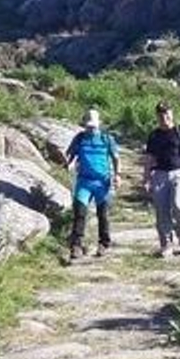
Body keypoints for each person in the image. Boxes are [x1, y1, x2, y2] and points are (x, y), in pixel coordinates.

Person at [144, 102, 180, 256]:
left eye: (166, 113)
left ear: (172, 113)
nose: (164, 117)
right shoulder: (154, 135)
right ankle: (166, 243)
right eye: (161, 114)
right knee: (162, 210)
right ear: (157, 116)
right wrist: (146, 178)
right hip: (159, 175)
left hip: (179, 174)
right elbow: (149, 158)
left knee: (178, 204)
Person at [64, 108, 120, 262]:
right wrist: (68, 163)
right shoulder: (80, 138)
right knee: (80, 213)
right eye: (88, 126)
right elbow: (70, 155)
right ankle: (76, 246)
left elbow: (115, 158)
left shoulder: (106, 139)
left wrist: (117, 175)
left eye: (93, 127)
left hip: (102, 183)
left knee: (102, 214)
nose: (91, 129)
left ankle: (104, 244)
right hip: (84, 182)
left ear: (98, 125)